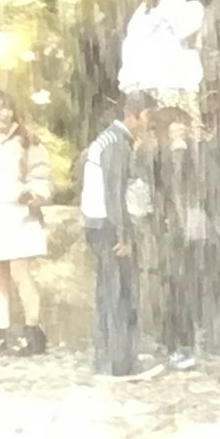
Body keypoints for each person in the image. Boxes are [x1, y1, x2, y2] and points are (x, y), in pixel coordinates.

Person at [0, 89, 50, 355]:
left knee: (20, 273)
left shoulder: (26, 139)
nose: (3, 113)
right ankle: (1, 333)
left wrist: (34, 193)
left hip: (20, 214)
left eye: (7, 108)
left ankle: (33, 331)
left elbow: (40, 173)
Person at [80, 98, 147, 377]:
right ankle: (119, 364)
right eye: (146, 117)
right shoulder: (118, 144)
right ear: (132, 116)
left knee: (108, 293)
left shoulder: (106, 139)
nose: (147, 124)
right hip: (109, 226)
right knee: (119, 295)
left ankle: (106, 358)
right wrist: (124, 233)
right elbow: (114, 190)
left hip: (95, 223)